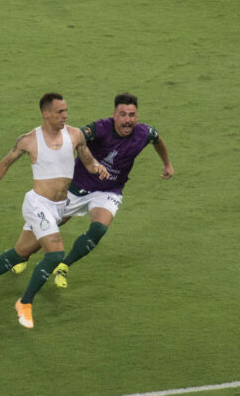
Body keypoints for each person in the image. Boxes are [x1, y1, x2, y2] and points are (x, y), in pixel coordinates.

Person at [0, 93, 109, 329]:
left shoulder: (75, 135)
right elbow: (4, 165)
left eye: (66, 111)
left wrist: (97, 168)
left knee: (19, 253)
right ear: (46, 113)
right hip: (37, 205)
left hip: (58, 208)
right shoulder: (29, 140)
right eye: (59, 112)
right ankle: (25, 302)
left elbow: (88, 160)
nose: (65, 115)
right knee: (55, 254)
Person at [11, 92, 174, 288]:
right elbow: (73, 138)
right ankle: (23, 256)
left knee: (98, 229)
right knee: (47, 226)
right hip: (77, 186)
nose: (127, 120)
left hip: (108, 190)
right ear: (114, 115)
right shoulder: (100, 128)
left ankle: (64, 265)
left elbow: (157, 140)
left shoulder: (144, 133)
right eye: (123, 114)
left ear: (137, 117)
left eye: (132, 115)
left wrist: (167, 164)